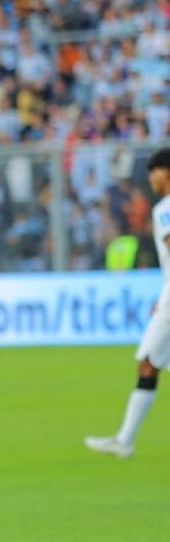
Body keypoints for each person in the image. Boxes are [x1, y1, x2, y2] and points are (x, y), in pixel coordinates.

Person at [85, 148, 170, 459]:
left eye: (154, 172)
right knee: (149, 362)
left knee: (149, 361)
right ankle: (125, 439)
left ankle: (125, 441)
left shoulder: (165, 209)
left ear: (166, 172)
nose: (151, 179)